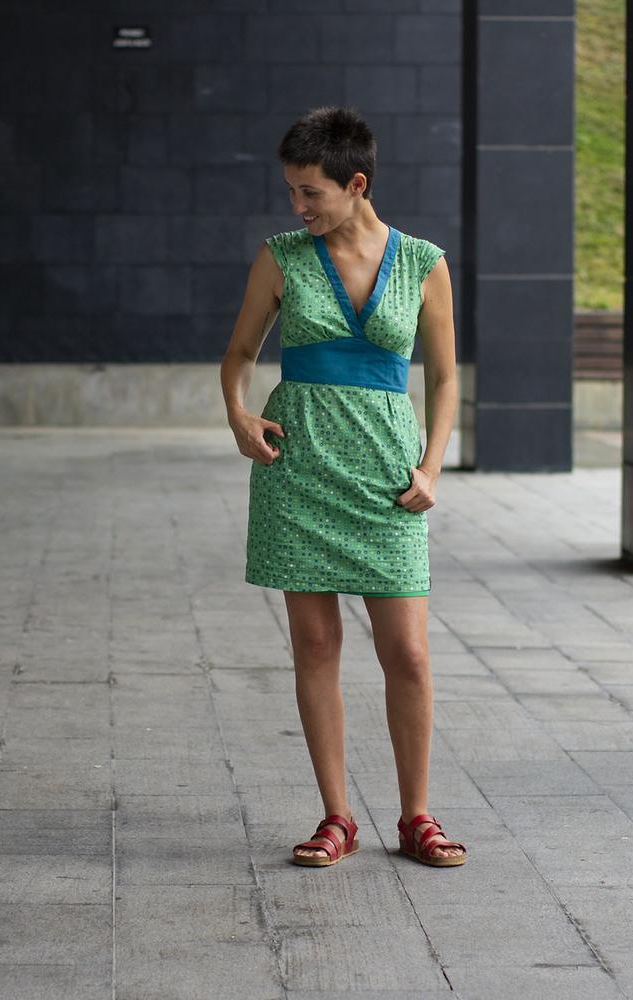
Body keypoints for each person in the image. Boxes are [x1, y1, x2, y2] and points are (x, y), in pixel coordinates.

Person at [220, 107, 467, 869]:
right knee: (316, 647)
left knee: (410, 656)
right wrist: (237, 415)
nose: (298, 207)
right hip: (299, 473)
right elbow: (238, 354)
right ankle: (336, 816)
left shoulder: (423, 261)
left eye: (310, 192)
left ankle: (416, 816)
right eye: (292, 191)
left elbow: (446, 374)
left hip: (389, 479)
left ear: (356, 184)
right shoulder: (281, 258)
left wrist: (432, 467)